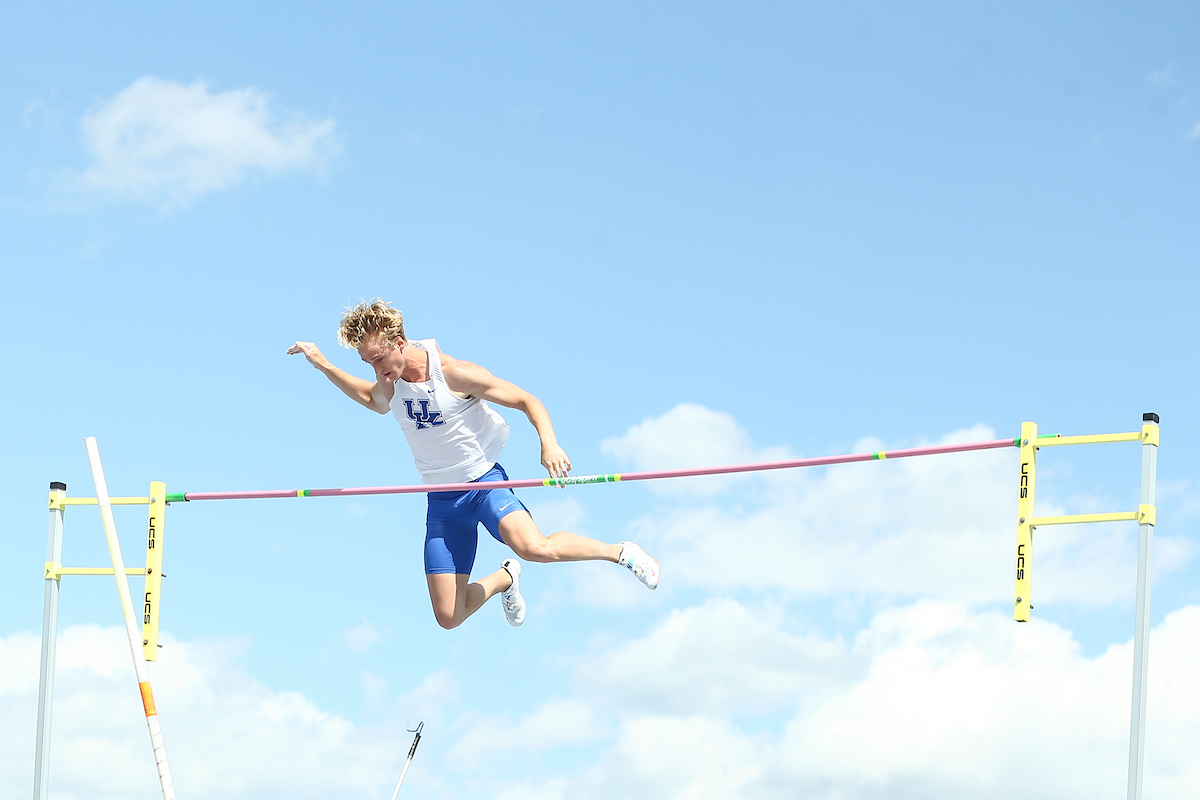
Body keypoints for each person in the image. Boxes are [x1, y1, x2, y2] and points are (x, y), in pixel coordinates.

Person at [288, 299, 659, 629]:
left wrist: (549, 443)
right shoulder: (388, 380)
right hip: (443, 503)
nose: (377, 371)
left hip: (483, 485)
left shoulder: (452, 373)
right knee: (449, 617)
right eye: (368, 363)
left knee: (534, 548)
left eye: (380, 359)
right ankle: (505, 580)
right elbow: (373, 400)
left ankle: (619, 552)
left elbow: (527, 401)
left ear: (400, 344)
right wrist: (322, 364)